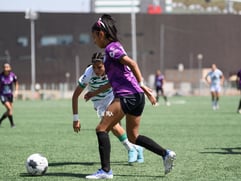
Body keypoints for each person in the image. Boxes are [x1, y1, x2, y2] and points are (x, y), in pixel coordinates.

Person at [85, 14, 176, 179]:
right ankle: (165, 153)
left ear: (101, 34)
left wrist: (142, 84)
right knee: (133, 137)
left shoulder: (111, 48)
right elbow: (118, 78)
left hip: (127, 96)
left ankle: (106, 171)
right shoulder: (114, 48)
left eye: (94, 37)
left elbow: (132, 63)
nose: (93, 41)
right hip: (136, 97)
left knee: (101, 128)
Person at [72, 52, 144, 164]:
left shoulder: (111, 69)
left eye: (99, 67)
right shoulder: (88, 73)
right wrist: (76, 119)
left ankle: (131, 149)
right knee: (113, 128)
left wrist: (93, 93)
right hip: (99, 103)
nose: (96, 70)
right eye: (94, 67)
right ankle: (137, 148)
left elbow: (111, 83)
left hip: (113, 97)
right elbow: (75, 96)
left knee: (112, 125)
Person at [0, 62, 19, 128]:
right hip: (2, 94)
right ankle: (12, 124)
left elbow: (16, 83)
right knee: (9, 108)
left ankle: (0, 120)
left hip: (10, 95)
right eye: (5, 67)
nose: (6, 68)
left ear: (10, 68)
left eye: (7, 67)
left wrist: (16, 91)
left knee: (9, 111)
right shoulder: (0, 76)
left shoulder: (12, 75)